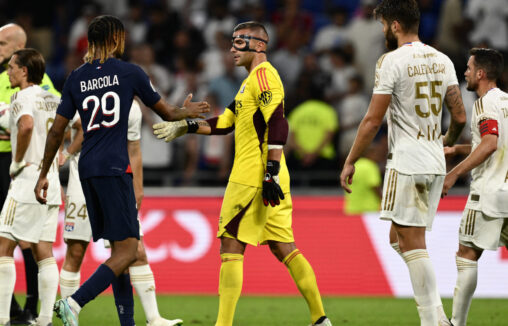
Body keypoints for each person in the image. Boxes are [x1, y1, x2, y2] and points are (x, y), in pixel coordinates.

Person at [33, 15, 209, 326]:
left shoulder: (75, 77)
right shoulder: (130, 73)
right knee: (128, 250)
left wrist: (44, 173)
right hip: (114, 168)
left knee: (119, 249)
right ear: (116, 39)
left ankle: (126, 323)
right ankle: (73, 303)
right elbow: (166, 113)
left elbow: (57, 131)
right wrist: (188, 113)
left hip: (87, 169)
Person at [153, 21, 331, 326]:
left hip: (253, 175)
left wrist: (269, 172)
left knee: (230, 245)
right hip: (269, 174)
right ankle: (320, 320)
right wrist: (186, 126)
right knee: (283, 246)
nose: (232, 48)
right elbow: (226, 123)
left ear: (260, 45)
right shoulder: (249, 82)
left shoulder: (264, 76)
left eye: (240, 42)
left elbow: (278, 121)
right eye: (232, 42)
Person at [339, 1, 466, 325]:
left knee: (412, 241)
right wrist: (445, 143)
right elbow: (460, 116)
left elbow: (371, 120)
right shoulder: (443, 59)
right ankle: (436, 314)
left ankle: (431, 320)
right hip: (434, 159)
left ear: (395, 25)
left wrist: (351, 160)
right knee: (399, 239)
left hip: (407, 160)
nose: (382, 30)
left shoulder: (390, 61)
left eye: (383, 24)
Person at [58, 100, 183, 326]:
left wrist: (139, 187)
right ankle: (70, 312)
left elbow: (133, 149)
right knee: (76, 252)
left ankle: (152, 319)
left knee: (133, 250)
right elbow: (58, 128)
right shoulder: (81, 90)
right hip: (81, 179)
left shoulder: (131, 106)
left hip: (117, 182)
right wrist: (61, 157)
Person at [0, 23, 61, 324]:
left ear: (24, 71)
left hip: (26, 180)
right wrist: (59, 156)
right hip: (50, 181)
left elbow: (25, 126)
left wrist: (17, 160)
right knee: (44, 250)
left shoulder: (21, 97)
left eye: (12, 67)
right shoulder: (53, 99)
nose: (8, 72)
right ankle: (45, 319)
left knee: (1, 245)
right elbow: (70, 127)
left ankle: (0, 318)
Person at [441, 48, 507, 326]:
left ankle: (457, 323)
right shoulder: (506, 102)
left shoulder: (483, 104)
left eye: (468, 68)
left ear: (481, 74)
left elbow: (491, 144)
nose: (465, 73)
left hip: (488, 193)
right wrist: (458, 148)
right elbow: (495, 142)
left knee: (466, 253)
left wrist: (453, 174)